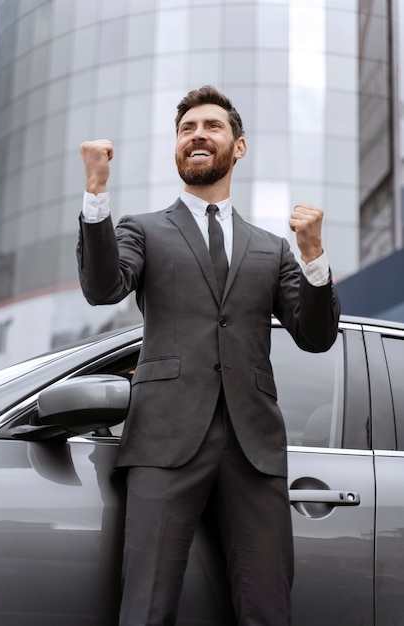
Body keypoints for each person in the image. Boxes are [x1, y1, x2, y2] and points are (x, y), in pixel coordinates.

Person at [77, 85, 340, 626]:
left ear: (237, 148)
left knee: (267, 608)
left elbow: (316, 336)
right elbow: (103, 288)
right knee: (146, 607)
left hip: (254, 449)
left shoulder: (271, 247)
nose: (197, 135)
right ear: (178, 148)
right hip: (164, 441)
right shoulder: (143, 229)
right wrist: (96, 191)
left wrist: (313, 255)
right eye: (186, 129)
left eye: (211, 126)